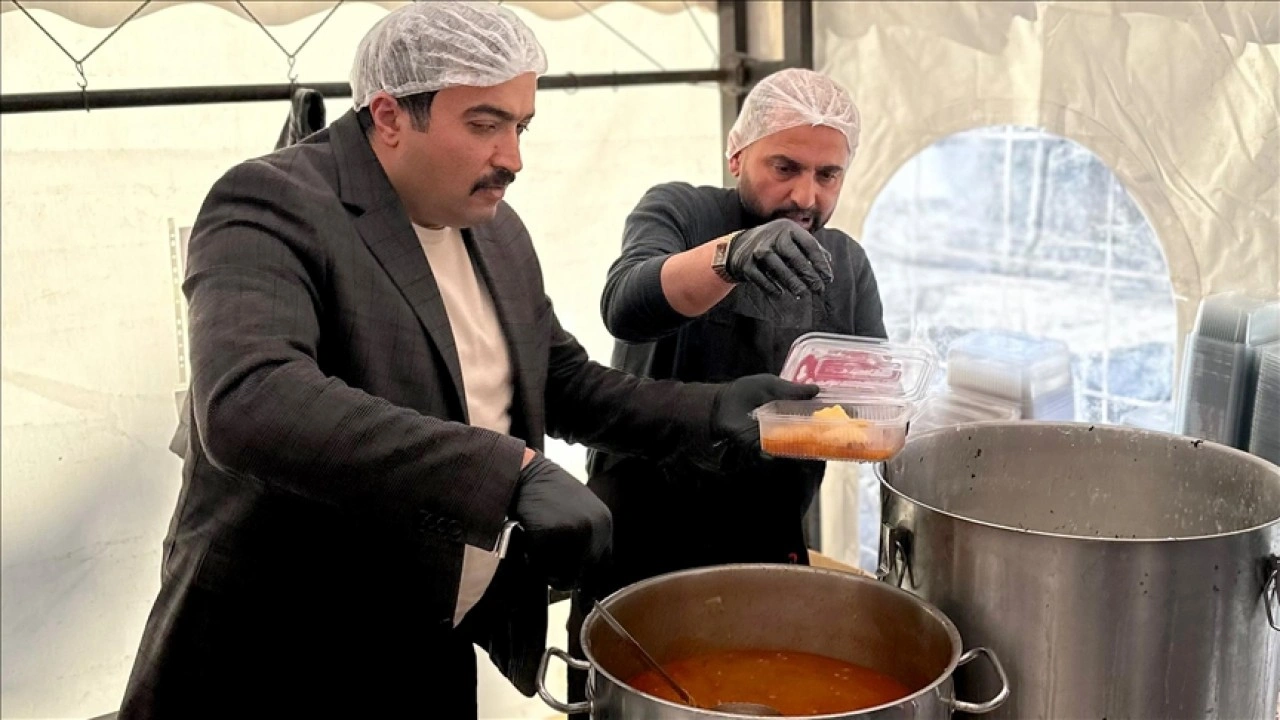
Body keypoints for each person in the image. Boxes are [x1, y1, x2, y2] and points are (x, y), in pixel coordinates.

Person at [116, 5, 817, 718]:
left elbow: (561, 382)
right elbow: (250, 402)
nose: (513, 158)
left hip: (430, 640)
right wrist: (507, 476)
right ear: (389, 116)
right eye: (485, 124)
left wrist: (713, 410)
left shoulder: (495, 231)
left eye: (521, 127)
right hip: (275, 653)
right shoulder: (273, 203)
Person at [567, 67, 887, 711]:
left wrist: (874, 420)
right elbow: (626, 306)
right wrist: (730, 255)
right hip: (639, 532)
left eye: (828, 175)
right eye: (785, 167)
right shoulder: (680, 211)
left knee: (768, 697)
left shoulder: (845, 265)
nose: (806, 195)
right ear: (737, 154)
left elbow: (872, 397)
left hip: (767, 535)